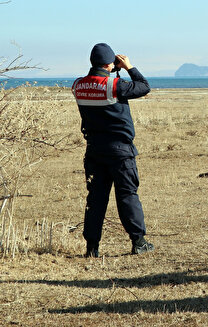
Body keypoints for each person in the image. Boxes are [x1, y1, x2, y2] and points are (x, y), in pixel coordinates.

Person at [72, 43, 154, 257]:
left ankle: (92, 248)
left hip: (94, 150)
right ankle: (139, 242)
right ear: (110, 64)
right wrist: (129, 67)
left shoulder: (78, 86)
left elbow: (95, 83)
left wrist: (111, 70)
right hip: (120, 151)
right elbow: (143, 86)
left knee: (96, 200)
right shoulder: (115, 85)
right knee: (127, 195)